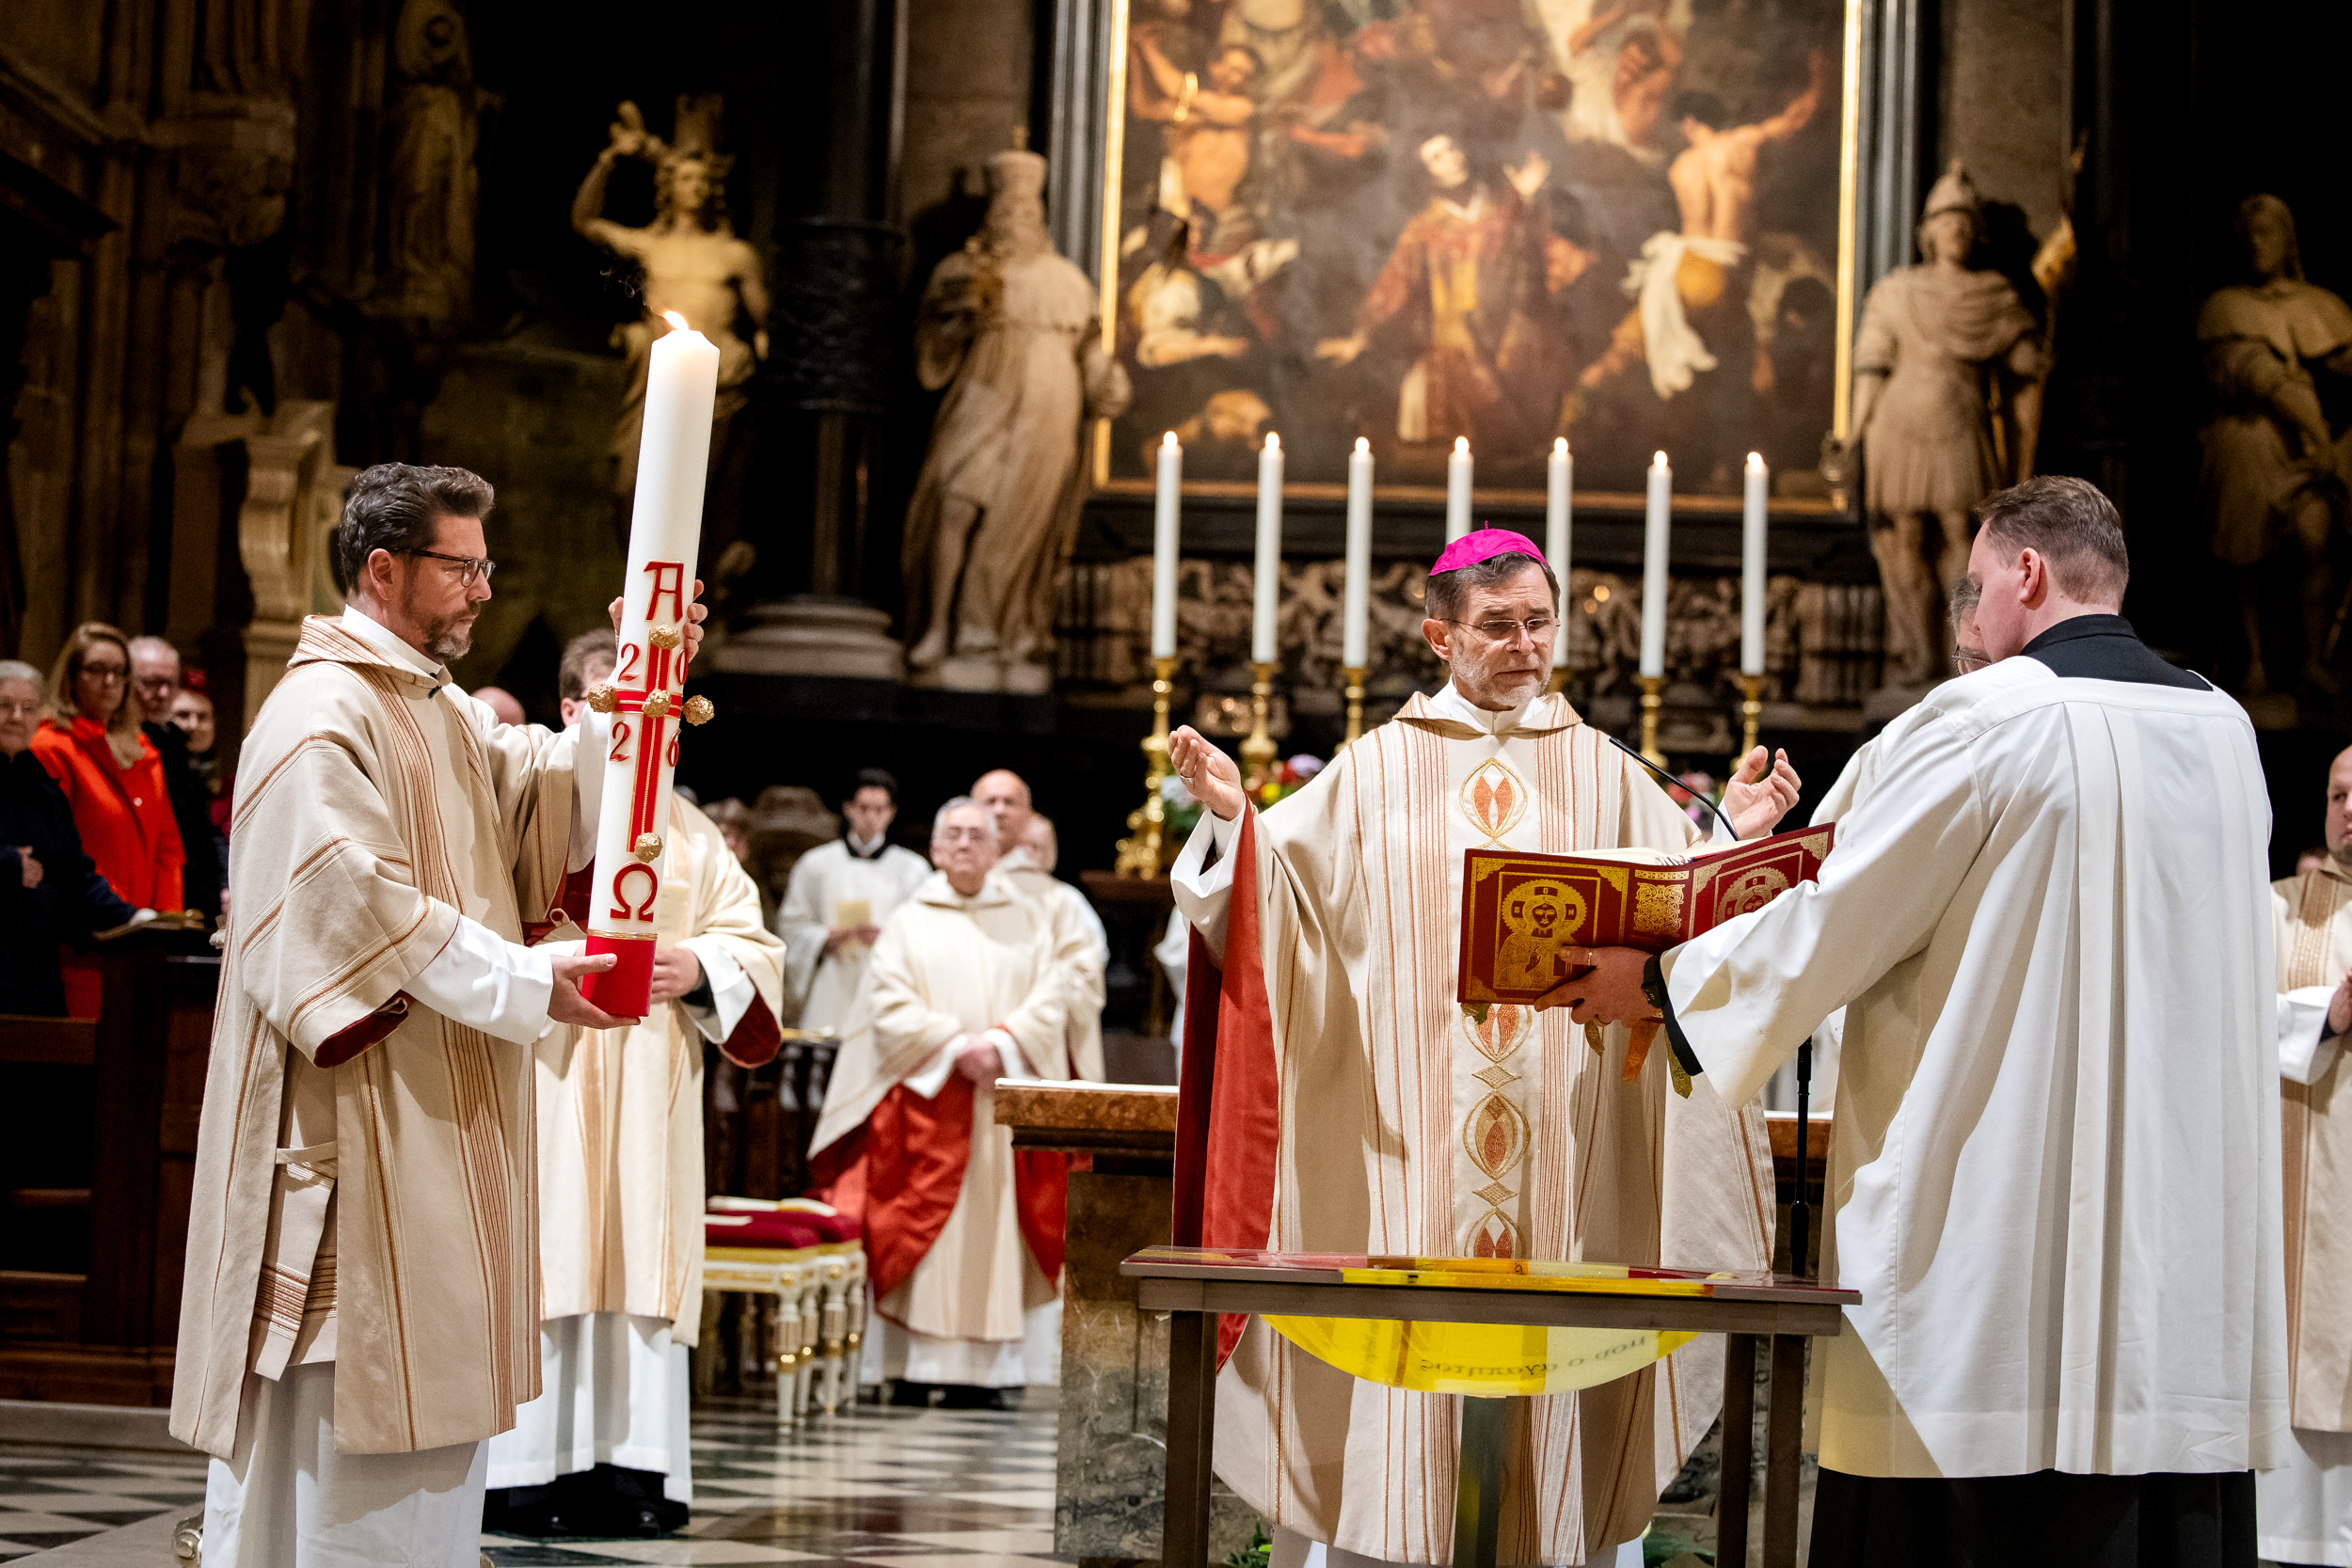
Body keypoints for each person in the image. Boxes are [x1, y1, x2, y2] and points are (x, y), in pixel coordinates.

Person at [1556, 477, 2286, 1565]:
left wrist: (1663, 985)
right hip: (2178, 1276)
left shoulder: (1991, 717)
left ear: (2025, 572)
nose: (1969, 617)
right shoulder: (2223, 727)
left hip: (1994, 1266)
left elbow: (1842, 912)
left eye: (1977, 583)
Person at [1161, 527, 1802, 1568]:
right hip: (1405, 1154)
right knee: (1404, 1426)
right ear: (1440, 637)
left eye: (1539, 623)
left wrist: (1730, 832)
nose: (1524, 645)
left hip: (1567, 1152)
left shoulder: (1610, 771)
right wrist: (1237, 821)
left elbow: (1681, 917)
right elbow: (1278, 907)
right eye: (1497, 626)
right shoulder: (1374, 770)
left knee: (1557, 1380)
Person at [172, 462, 705, 1568]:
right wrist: (529, 983)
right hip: (356, 1133)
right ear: (383, 568)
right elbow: (349, 909)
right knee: (336, 1462)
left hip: (438, 1126)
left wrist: (636, 692)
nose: (483, 590)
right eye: (462, 567)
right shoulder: (320, 711)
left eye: (484, 565)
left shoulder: (435, 706)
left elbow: (543, 799)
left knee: (424, 1485)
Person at [485, 629, 785, 1538]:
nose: (643, 718)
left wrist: (700, 964)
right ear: (570, 709)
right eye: (615, 696)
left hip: (653, 1075)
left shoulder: (692, 833)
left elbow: (752, 941)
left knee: (639, 1261)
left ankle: (634, 1471)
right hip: (546, 1063)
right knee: (548, 1253)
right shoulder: (539, 801)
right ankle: (523, 1473)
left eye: (659, 702)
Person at [807, 799, 1072, 1409]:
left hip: (1000, 1099)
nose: (964, 844)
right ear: (933, 847)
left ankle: (992, 1372)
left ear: (997, 849)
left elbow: (1053, 993)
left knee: (998, 1232)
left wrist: (1002, 1044)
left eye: (977, 835)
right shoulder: (910, 919)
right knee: (920, 1225)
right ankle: (916, 1364)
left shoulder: (1028, 918)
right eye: (952, 834)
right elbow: (887, 1000)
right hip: (930, 1099)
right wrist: (955, 1045)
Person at [1314, 131, 1587, 452]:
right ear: (1424, 173)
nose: (1452, 159)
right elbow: (1393, 286)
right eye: (1437, 158)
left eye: (1452, 148)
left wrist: (1523, 201)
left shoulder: (1503, 210)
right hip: (1458, 342)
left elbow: (1535, 257)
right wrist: (1361, 335)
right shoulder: (1424, 228)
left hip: (1510, 336)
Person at [2198, 194, 2352, 702]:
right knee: (2245, 551)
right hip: (2250, 442)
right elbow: (2256, 375)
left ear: (2289, 242)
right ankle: (2255, 660)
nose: (2256, 243)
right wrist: (2320, 435)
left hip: (2308, 454)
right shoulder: (2226, 308)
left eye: (2267, 233)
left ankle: (2310, 661)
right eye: (2248, 235)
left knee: (2315, 540)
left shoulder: (2322, 305)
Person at [2259, 744, 2352, 1566]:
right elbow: (2231, 1014)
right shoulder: (2280, 907)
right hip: (2315, 1193)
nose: (2348, 810)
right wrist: (2327, 1014)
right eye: (2337, 793)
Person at [32, 624, 185, 1017]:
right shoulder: (51, 746)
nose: (110, 682)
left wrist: (164, 929)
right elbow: (60, 853)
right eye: (96, 670)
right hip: (83, 941)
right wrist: (115, 915)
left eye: (119, 672)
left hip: (141, 943)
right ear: (71, 677)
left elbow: (167, 849)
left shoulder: (142, 750)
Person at [0, 660, 140, 1016]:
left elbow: (75, 873)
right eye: (4, 706)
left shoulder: (45, 789)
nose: (16, 717)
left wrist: (135, 920)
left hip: (39, 982)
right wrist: (8, 863)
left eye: (28, 708)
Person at [975, 768, 1108, 1081]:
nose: (999, 810)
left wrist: (1012, 1036)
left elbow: (1082, 977)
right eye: (990, 801)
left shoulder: (1059, 901)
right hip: (957, 1054)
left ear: (1028, 816)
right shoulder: (940, 892)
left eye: (1009, 802)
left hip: (1030, 1056)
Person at [775, 769, 930, 1036]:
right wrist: (823, 938)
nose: (871, 817)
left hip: (885, 981)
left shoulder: (913, 869)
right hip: (831, 979)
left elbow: (925, 931)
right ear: (848, 809)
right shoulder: (816, 864)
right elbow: (791, 925)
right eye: (864, 808)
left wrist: (889, 937)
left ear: (891, 812)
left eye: (879, 809)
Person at [127, 636, 223, 922]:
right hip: (136, 902)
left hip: (186, 899)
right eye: (150, 683)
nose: (162, 693)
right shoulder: (118, 744)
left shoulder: (174, 748)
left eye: (170, 683)